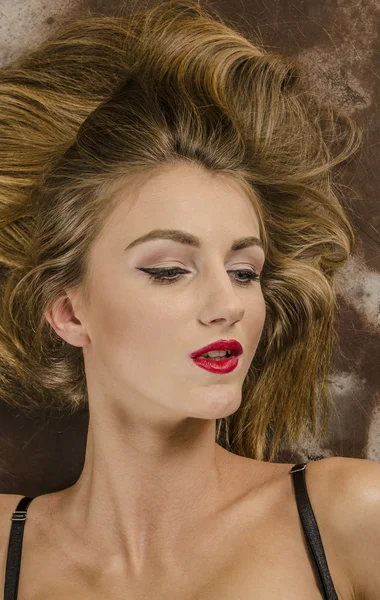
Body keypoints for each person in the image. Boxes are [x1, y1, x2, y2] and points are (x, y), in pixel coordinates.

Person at [1, 1, 379, 599]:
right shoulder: (5, 551)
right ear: (70, 312)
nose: (226, 303)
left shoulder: (349, 519)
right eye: (170, 270)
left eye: (244, 271)